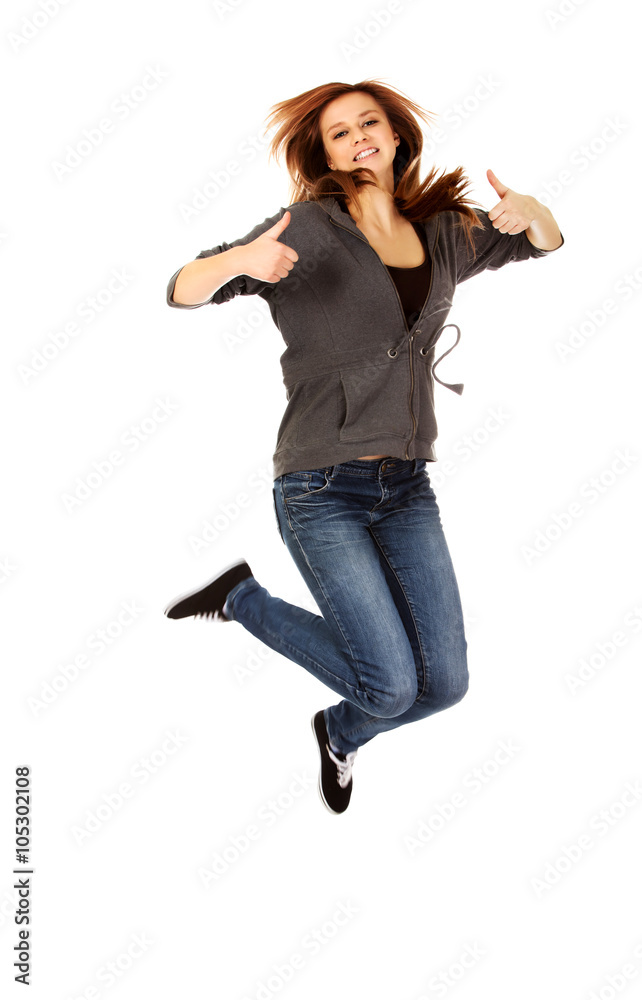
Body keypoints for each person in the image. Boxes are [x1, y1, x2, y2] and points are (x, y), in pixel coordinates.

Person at [163, 79, 564, 815]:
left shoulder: (442, 228)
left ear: (396, 134)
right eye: (340, 133)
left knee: (444, 687)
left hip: (407, 486)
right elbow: (183, 288)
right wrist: (238, 261)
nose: (358, 139)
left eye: (368, 123)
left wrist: (534, 211)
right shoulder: (308, 228)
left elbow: (540, 243)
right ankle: (242, 600)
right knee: (391, 686)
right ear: (324, 154)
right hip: (320, 486)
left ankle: (339, 732)